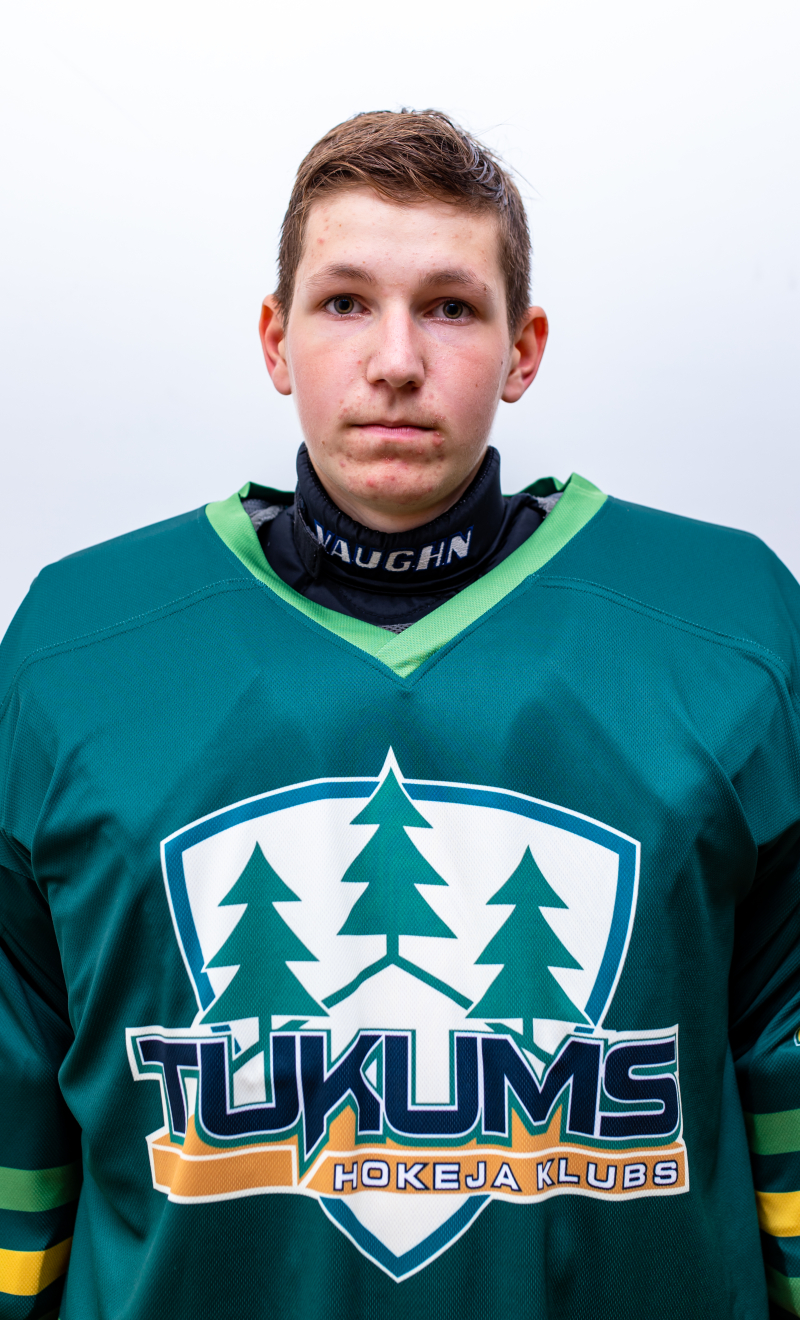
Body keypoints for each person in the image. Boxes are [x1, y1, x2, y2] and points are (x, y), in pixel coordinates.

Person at [0, 108, 798, 1320]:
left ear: (522, 350)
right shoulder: (75, 651)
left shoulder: (729, 633)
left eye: (449, 307)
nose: (393, 360)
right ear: (275, 340)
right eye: (343, 303)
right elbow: (17, 1079)